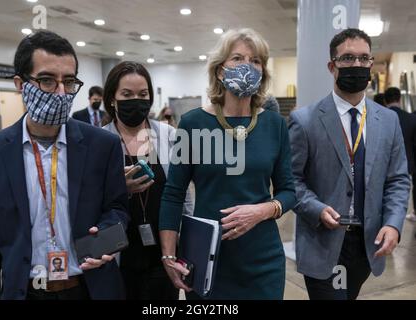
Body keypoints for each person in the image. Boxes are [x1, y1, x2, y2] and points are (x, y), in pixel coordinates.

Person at [0, 30, 129, 300]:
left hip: (89, 288)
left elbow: (118, 209)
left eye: (68, 81)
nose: (60, 92)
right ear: (21, 84)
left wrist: (105, 236)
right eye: (46, 80)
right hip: (25, 291)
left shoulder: (103, 146)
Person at [158, 28, 296, 299]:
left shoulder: (275, 125)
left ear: (263, 71)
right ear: (220, 71)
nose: (248, 66)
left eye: (255, 61)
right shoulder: (193, 124)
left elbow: (289, 191)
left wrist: (261, 211)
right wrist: (168, 254)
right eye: (237, 58)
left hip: (263, 260)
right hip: (209, 259)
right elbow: (173, 194)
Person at [289, 28, 410, 300]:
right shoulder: (305, 121)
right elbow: (291, 180)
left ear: (370, 63)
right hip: (323, 240)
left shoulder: (388, 121)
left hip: (367, 243)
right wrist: (316, 209)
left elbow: (398, 179)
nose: (356, 65)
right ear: (332, 66)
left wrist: (393, 223)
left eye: (364, 58)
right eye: (347, 58)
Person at [102, 61, 194, 300]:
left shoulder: (168, 136)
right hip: (118, 258)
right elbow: (88, 202)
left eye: (143, 94)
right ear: (112, 98)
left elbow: (183, 197)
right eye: (127, 94)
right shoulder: (100, 141)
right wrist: (120, 190)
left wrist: (188, 244)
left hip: (163, 256)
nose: (136, 100)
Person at [384, 87, 416, 222]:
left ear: (385, 100)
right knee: (401, 191)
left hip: (382, 164)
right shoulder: (411, 118)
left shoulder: (379, 117)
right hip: (407, 163)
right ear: (399, 99)